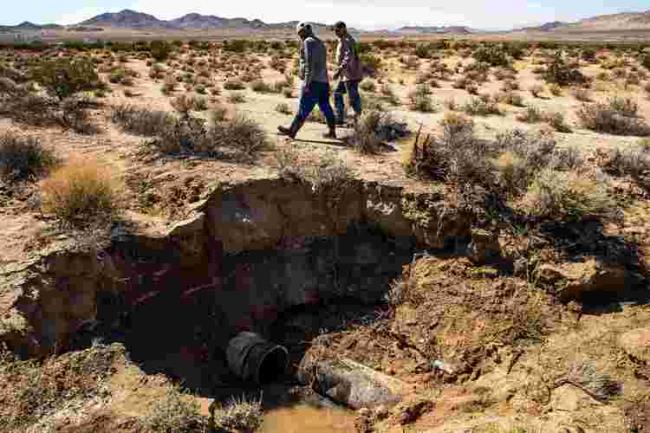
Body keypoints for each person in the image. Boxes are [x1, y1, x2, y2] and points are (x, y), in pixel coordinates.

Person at [278, 22, 337, 139]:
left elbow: (310, 65)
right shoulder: (320, 43)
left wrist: (306, 83)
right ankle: (332, 132)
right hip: (323, 82)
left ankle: (292, 131)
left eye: (300, 33)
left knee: (303, 108)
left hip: (313, 82)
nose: (299, 36)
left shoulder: (308, 42)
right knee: (326, 107)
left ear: (304, 31)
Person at [332, 21, 363, 126]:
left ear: (343, 29)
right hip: (346, 75)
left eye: (337, 30)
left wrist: (339, 70)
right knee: (338, 94)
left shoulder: (347, 40)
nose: (336, 32)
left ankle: (359, 121)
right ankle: (340, 118)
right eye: (335, 30)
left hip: (351, 75)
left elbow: (348, 57)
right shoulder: (343, 40)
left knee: (353, 98)